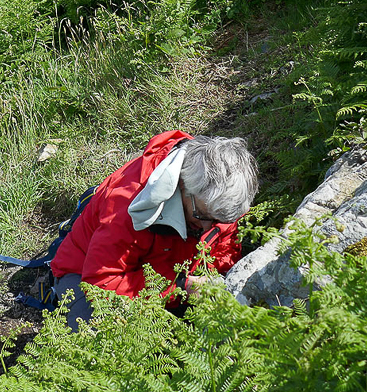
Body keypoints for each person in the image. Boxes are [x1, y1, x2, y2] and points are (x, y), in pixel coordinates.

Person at [48, 130, 258, 330]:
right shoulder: (126, 209)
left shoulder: (216, 198)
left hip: (167, 273)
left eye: (219, 220)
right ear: (184, 188)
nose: (207, 228)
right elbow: (100, 283)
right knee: (102, 336)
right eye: (202, 217)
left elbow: (225, 247)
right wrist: (179, 287)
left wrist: (215, 279)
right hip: (85, 274)